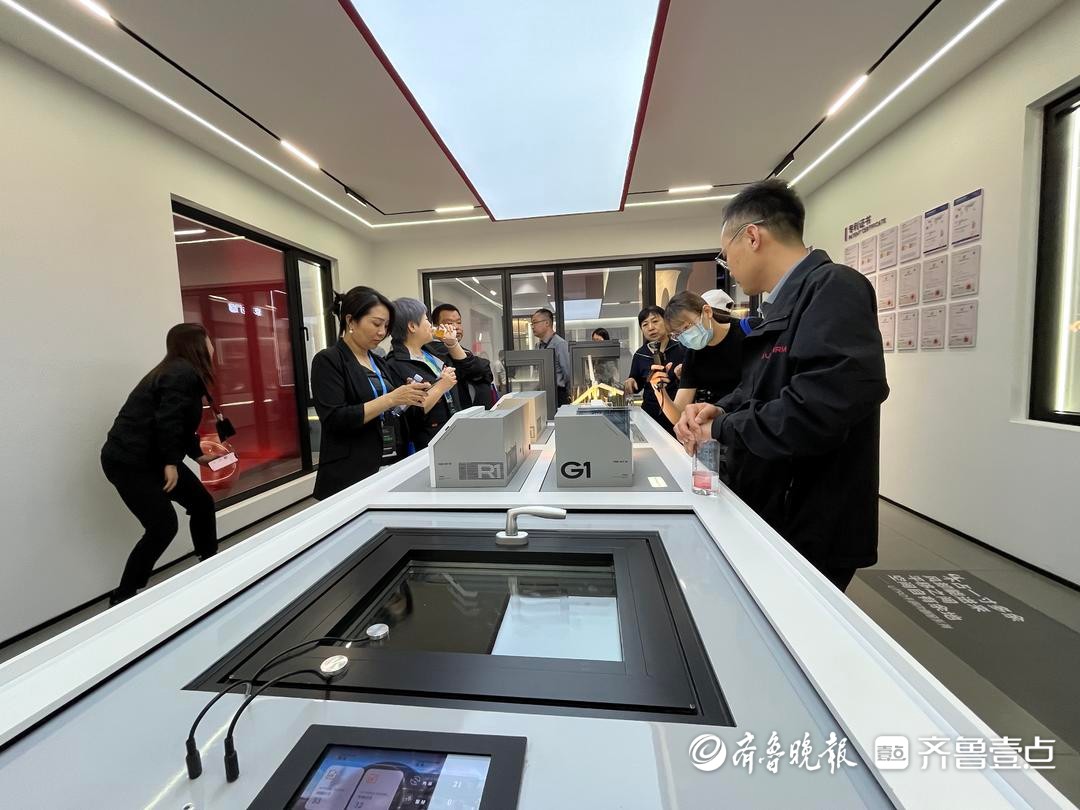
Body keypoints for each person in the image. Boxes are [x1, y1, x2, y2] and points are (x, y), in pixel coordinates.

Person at [675, 179, 889, 592]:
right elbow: (762, 387)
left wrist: (722, 427)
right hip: (777, 508)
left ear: (752, 236)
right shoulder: (781, 307)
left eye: (725, 254)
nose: (728, 265)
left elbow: (816, 409)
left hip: (813, 520)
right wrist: (721, 408)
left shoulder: (834, 289)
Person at [101, 323, 226, 605]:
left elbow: (180, 422)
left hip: (153, 456)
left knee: (201, 504)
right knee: (163, 526)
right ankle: (124, 596)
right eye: (208, 340)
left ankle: (210, 566)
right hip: (129, 462)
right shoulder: (180, 373)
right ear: (196, 345)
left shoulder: (182, 372)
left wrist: (196, 455)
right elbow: (167, 422)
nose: (212, 346)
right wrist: (171, 463)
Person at [310, 287, 429, 500]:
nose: (382, 332)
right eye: (376, 324)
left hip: (390, 462)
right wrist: (391, 398)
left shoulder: (379, 363)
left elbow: (391, 411)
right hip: (351, 472)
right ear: (351, 321)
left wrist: (408, 397)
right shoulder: (329, 360)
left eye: (386, 326)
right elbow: (335, 419)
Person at [653, 290, 744, 428]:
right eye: (678, 334)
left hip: (758, 425)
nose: (685, 336)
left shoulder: (749, 332)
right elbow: (678, 416)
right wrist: (659, 390)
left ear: (707, 312)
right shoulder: (693, 355)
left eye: (686, 327)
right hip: (722, 429)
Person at [387, 298, 462, 450]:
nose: (430, 325)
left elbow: (474, 368)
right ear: (412, 326)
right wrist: (441, 386)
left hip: (452, 433)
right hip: (427, 445)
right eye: (426, 319)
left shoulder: (431, 354)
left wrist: (452, 342)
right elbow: (409, 414)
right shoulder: (395, 364)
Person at [625, 306, 686, 435]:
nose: (651, 327)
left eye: (655, 321)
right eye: (645, 324)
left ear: (666, 322)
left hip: (678, 414)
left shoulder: (682, 349)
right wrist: (631, 381)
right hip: (650, 415)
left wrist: (682, 375)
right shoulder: (640, 354)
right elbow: (636, 382)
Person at [429, 303, 497, 409]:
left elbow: (486, 372)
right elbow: (480, 369)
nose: (456, 327)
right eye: (449, 323)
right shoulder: (436, 350)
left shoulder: (461, 349)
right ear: (436, 327)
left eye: (459, 322)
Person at [531, 308, 570, 405]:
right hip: (541, 393)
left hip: (558, 394)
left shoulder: (560, 344)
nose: (532, 327)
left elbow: (568, 374)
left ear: (547, 323)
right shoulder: (538, 346)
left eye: (535, 322)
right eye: (532, 324)